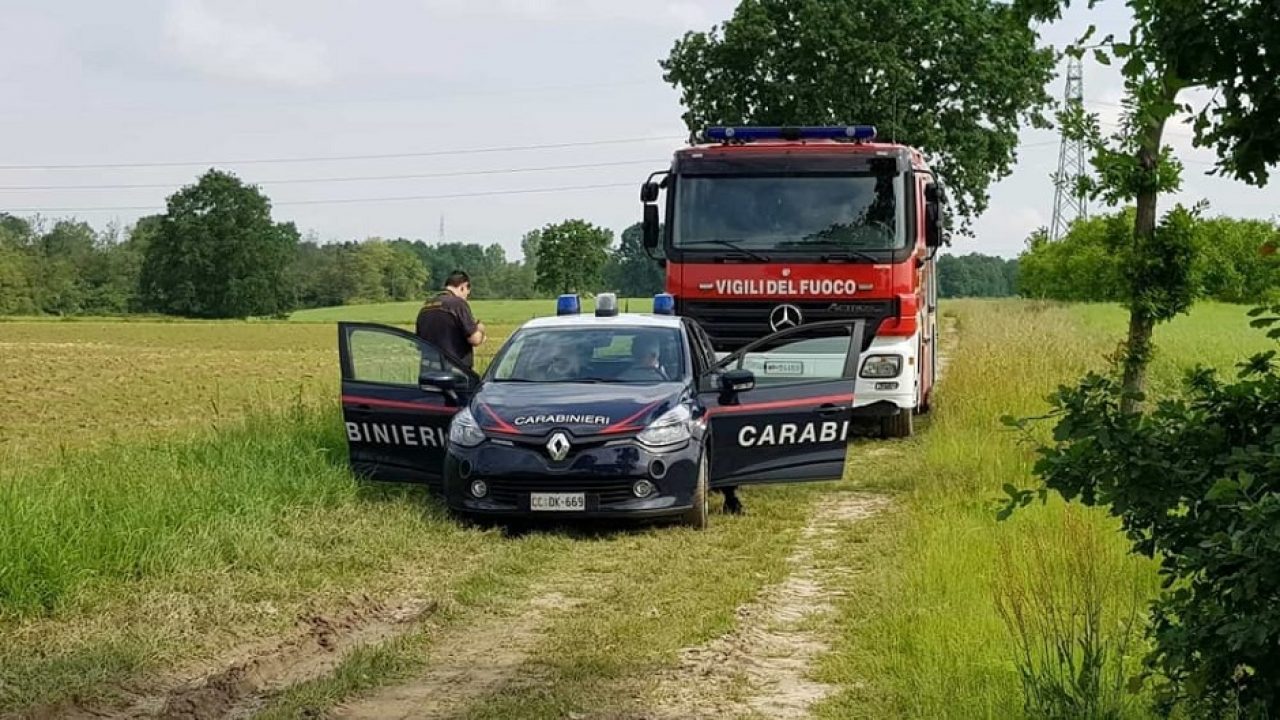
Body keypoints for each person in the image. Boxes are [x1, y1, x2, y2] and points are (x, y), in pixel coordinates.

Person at [416, 271, 486, 369]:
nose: (466, 298)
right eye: (467, 293)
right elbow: (475, 339)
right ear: (463, 286)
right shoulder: (458, 304)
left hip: (427, 370)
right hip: (453, 372)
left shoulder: (426, 306)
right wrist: (480, 329)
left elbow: (419, 344)